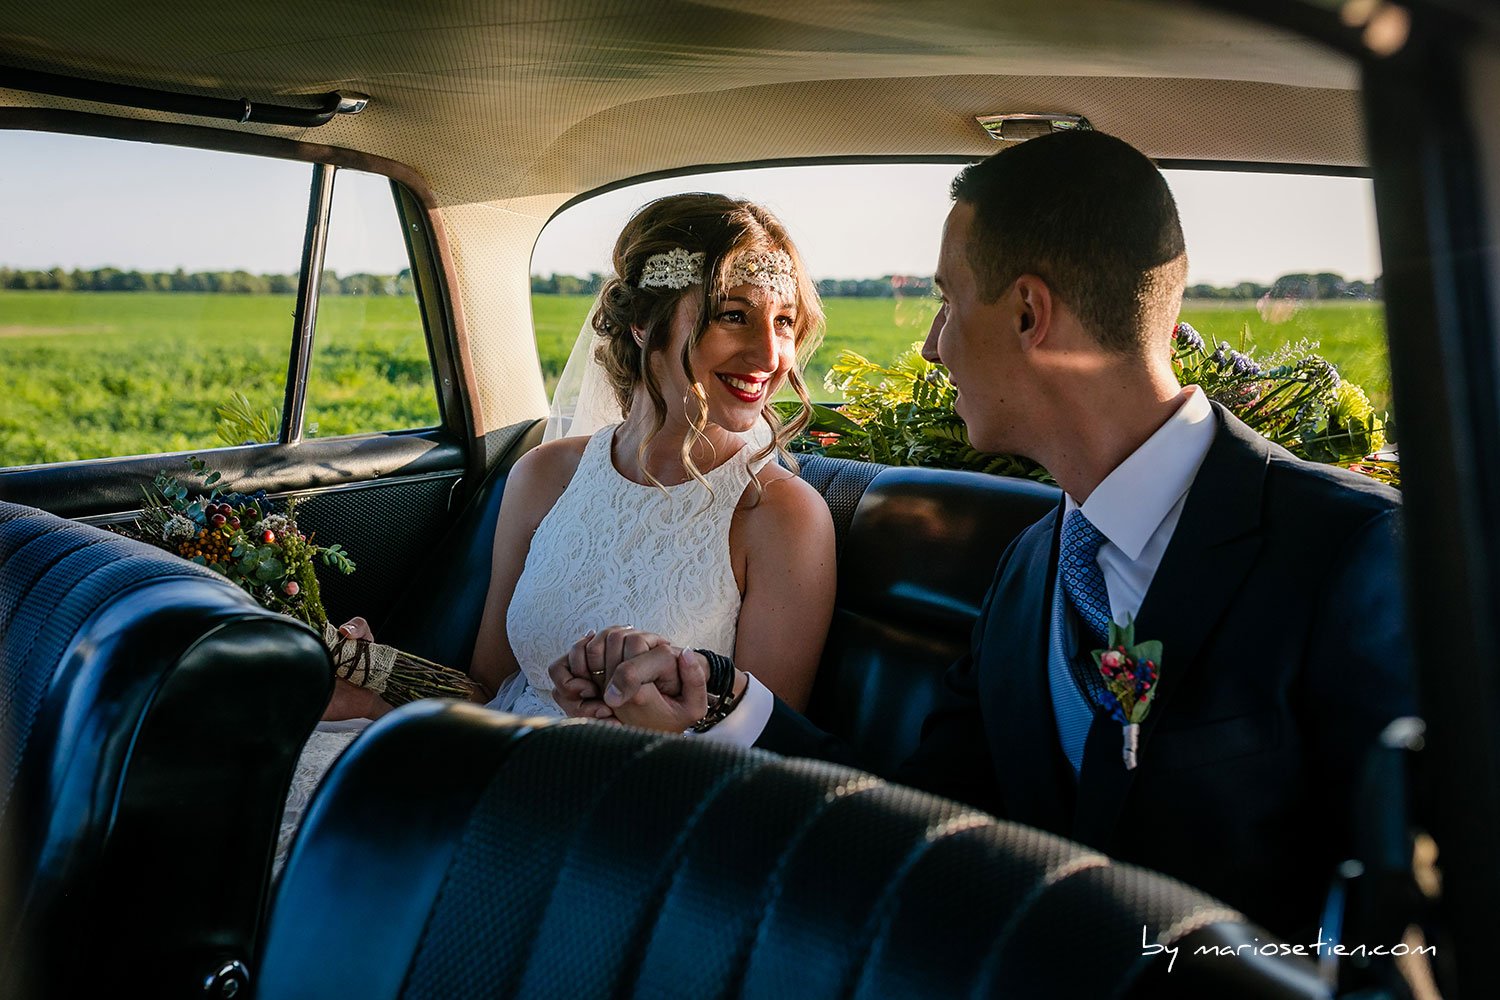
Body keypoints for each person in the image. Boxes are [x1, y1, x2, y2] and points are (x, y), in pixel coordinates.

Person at [549, 131, 1416, 940]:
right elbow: (927, 810)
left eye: (946, 301)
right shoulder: (1032, 570)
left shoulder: (1357, 555)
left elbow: (1407, 923)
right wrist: (719, 702)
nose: (931, 347)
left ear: (1029, 313)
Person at [278, 192, 837, 869]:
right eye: (733, 316)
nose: (770, 352)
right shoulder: (546, 475)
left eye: (785, 322)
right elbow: (485, 687)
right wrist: (371, 678)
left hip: (628, 816)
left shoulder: (779, 515)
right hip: (493, 762)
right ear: (642, 325)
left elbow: (766, 765)